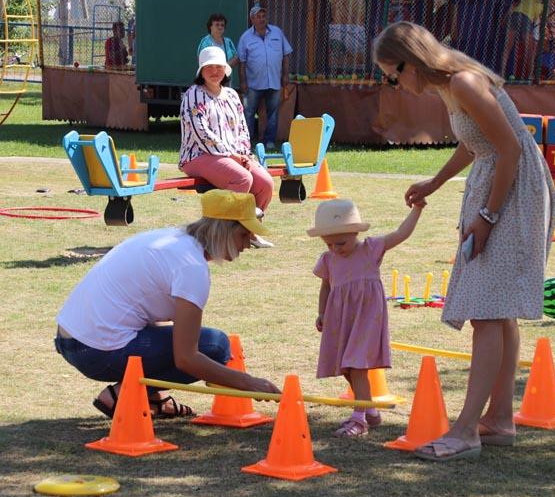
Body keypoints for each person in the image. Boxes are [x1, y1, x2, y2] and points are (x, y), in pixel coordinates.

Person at [373, 21, 555, 461]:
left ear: (412, 60)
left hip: (513, 193)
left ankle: (466, 430)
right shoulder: (450, 86)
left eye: (393, 73)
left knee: (486, 311)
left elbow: (510, 148)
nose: (393, 83)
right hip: (499, 185)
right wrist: (434, 182)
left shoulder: (465, 81)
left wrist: (488, 216)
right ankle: (498, 420)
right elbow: (477, 142)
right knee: (497, 309)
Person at [55, 190, 281, 419]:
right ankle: (121, 395)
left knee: (199, 342)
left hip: (69, 340)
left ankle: (151, 397)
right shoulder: (191, 268)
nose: (249, 243)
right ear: (222, 231)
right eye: (244, 235)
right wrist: (249, 383)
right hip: (95, 351)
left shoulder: (172, 239)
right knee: (217, 347)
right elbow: (186, 357)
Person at [307, 198, 425, 437]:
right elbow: (326, 287)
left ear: (355, 232)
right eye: (328, 244)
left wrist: (417, 209)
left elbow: (401, 234)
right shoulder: (329, 259)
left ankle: (359, 420)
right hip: (342, 318)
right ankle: (368, 409)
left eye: (340, 243)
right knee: (348, 368)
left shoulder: (371, 249)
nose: (335, 249)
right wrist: (321, 312)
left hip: (368, 317)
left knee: (356, 366)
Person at [180, 46, 274, 248]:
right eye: (209, 67)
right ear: (201, 71)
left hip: (232, 155)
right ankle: (217, 234)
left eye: (219, 66)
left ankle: (248, 233)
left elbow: (242, 128)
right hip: (197, 155)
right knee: (241, 178)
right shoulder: (193, 95)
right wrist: (231, 155)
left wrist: (243, 154)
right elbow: (201, 133)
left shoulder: (231, 95)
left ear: (225, 69)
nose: (214, 71)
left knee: (265, 183)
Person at [237, 4, 292, 151]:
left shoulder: (277, 33)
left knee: (273, 114)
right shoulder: (245, 37)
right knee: (248, 113)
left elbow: (286, 55)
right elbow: (241, 62)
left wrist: (286, 75)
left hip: (274, 81)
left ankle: (269, 142)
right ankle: (246, 143)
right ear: (252, 19)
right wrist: (243, 82)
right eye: (258, 16)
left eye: (263, 16)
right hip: (253, 84)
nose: (262, 19)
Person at [500, 0, 543, 79]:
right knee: (530, 50)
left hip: (514, 17)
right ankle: (530, 75)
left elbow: (512, 7)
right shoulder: (541, 6)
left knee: (507, 48)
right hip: (526, 19)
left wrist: (504, 20)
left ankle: (501, 73)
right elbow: (535, 21)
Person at [196, 13, 239, 85]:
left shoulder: (228, 42)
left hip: (226, 81)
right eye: (217, 24)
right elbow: (200, 60)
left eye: (222, 25)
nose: (220, 27)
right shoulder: (205, 41)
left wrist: (225, 67)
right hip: (210, 81)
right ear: (210, 27)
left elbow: (236, 58)